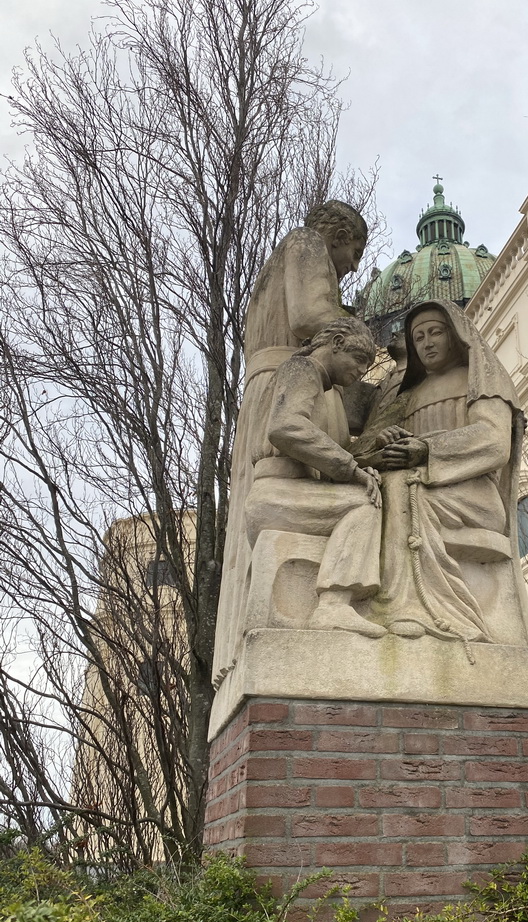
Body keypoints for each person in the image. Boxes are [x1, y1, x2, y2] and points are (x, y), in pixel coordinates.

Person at [214, 201, 368, 681]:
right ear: (339, 234)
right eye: (355, 250)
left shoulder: (269, 272)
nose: (353, 265)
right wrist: (352, 331)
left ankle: (242, 640)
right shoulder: (306, 243)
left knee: (249, 523)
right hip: (285, 381)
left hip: (264, 384)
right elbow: (307, 317)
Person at [355, 299, 528, 645]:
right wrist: (383, 446)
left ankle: (419, 608)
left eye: (435, 332)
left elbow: (494, 442)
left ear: (456, 336)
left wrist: (427, 450)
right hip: (419, 485)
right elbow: (368, 447)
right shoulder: (411, 394)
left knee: (402, 487)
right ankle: (385, 600)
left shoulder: (480, 378)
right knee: (381, 488)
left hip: (475, 496)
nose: (427, 343)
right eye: (418, 337)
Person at [244, 318, 385, 639]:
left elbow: (325, 450)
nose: (361, 371)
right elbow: (287, 427)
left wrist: (365, 463)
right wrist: (350, 469)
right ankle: (334, 605)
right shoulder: (301, 370)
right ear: (336, 343)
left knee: (363, 497)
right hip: (279, 493)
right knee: (365, 505)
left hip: (291, 493)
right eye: (359, 360)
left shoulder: (315, 387)